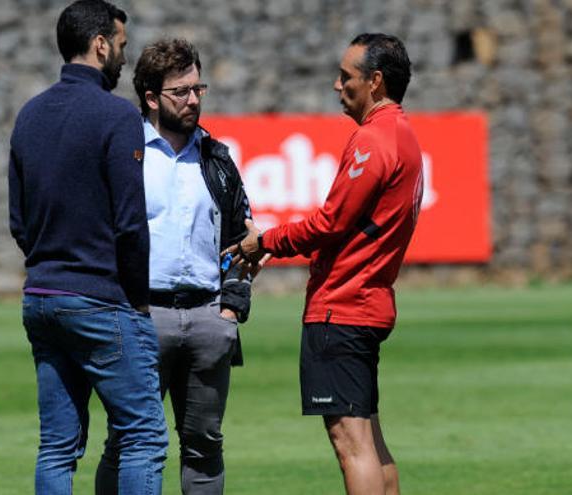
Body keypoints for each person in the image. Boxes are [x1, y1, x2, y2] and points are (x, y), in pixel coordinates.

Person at [227, 33, 422, 495]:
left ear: (375, 81)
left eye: (345, 76)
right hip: (369, 301)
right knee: (370, 440)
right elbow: (351, 226)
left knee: (350, 443)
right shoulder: (405, 135)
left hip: (343, 308)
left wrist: (265, 241)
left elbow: (331, 222)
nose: (337, 86)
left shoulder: (373, 140)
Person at [7, 1, 167, 493]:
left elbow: (19, 222)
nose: (124, 55)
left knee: (56, 446)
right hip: (102, 299)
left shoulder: (29, 115)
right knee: (143, 436)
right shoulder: (117, 116)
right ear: (100, 44)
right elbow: (130, 224)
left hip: (42, 297)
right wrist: (137, 299)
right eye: (120, 45)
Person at [95, 38, 259, 495]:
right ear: (150, 97)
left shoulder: (218, 159)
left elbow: (247, 240)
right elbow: (102, 235)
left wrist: (230, 310)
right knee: (127, 443)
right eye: (180, 91)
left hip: (209, 318)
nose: (192, 100)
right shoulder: (125, 153)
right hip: (141, 317)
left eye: (198, 89)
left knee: (205, 446)